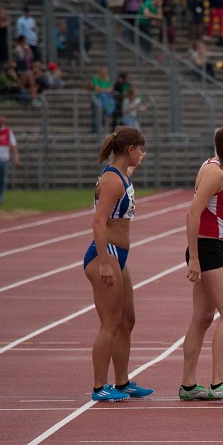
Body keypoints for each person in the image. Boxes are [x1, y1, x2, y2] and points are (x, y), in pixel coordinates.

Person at [179, 122, 223, 402]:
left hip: (211, 248)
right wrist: (194, 258)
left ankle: (188, 385)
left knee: (202, 318)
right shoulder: (213, 171)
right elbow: (192, 213)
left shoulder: (221, 169)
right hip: (206, 250)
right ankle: (218, 382)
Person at [84, 127, 154, 402]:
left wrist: (135, 165)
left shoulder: (120, 175)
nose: (141, 153)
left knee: (127, 320)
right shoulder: (112, 181)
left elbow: (126, 177)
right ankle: (100, 386)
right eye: (139, 149)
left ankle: (122, 382)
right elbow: (99, 221)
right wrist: (103, 262)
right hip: (106, 254)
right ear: (129, 150)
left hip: (118, 255)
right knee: (110, 322)